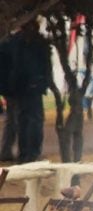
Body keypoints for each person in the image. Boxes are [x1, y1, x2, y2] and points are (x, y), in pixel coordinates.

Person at [7, 20, 50, 163]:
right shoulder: (34, 42)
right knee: (30, 120)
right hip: (28, 88)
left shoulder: (18, 41)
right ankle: (29, 153)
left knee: (25, 120)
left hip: (25, 87)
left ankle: (27, 153)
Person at [0, 34, 18, 162]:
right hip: (12, 88)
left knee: (12, 121)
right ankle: (6, 151)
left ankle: (7, 151)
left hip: (10, 88)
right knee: (13, 121)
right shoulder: (10, 44)